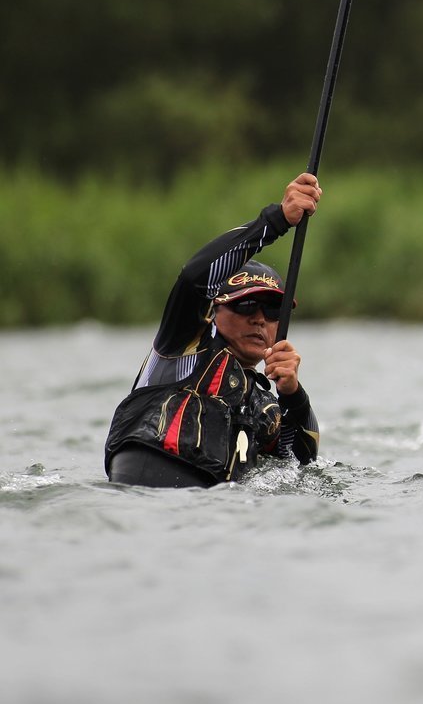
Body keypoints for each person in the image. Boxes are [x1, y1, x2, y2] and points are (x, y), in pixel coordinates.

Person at [104, 173, 323, 488]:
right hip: (142, 499)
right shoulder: (183, 342)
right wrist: (277, 220)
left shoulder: (264, 404)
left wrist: (293, 394)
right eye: (246, 306)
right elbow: (194, 278)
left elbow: (304, 460)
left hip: (213, 511)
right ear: (214, 311)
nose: (260, 319)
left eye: (273, 310)